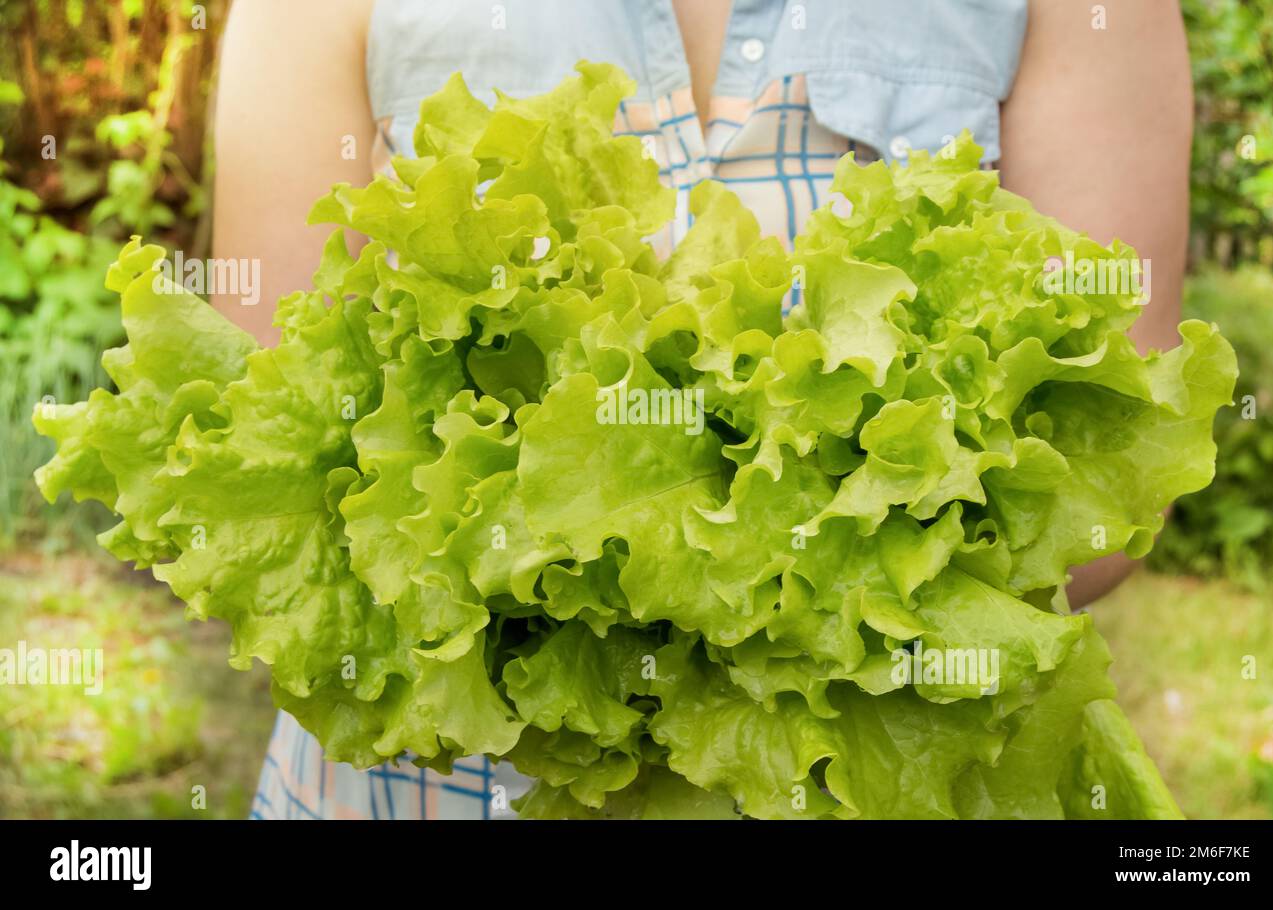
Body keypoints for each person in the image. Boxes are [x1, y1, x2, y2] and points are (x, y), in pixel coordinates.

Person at [213, 0, 1193, 819]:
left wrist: (701, 604)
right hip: (439, 779)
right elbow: (273, 445)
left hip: (872, 764)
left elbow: (1105, 466)